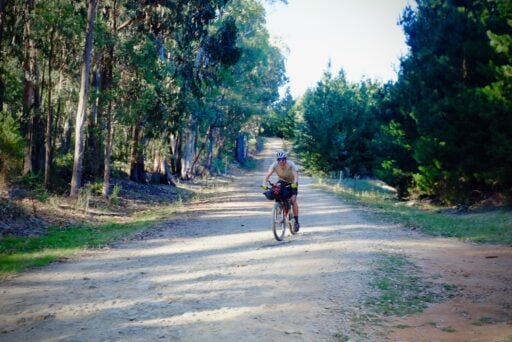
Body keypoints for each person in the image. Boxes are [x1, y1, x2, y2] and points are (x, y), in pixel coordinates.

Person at [262, 150, 300, 232]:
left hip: (292, 182)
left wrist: (295, 183)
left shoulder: (290, 165)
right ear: (277, 160)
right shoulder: (275, 165)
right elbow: (268, 174)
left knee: (293, 201)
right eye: (279, 160)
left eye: (283, 159)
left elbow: (295, 175)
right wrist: (264, 184)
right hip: (282, 181)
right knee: (277, 191)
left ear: (286, 159)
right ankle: (280, 205)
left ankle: (296, 221)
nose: (281, 161)